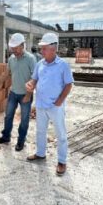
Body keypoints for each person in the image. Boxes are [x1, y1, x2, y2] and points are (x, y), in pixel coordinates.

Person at [25, 33, 73, 176]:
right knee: (40, 131)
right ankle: (40, 154)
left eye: (44, 48)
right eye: (42, 48)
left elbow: (68, 84)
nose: (42, 51)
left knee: (60, 134)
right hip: (40, 105)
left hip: (55, 106)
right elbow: (34, 79)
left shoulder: (63, 65)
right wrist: (30, 85)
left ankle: (62, 161)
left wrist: (60, 101)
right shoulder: (40, 64)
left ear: (54, 49)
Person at [0, 33, 36, 151]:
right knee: (8, 116)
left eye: (16, 48)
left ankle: (21, 141)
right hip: (13, 93)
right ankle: (6, 137)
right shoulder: (11, 59)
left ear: (22, 45)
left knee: (24, 120)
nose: (13, 50)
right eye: (12, 48)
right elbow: (6, 74)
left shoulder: (30, 59)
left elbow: (35, 78)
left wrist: (28, 94)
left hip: (25, 95)